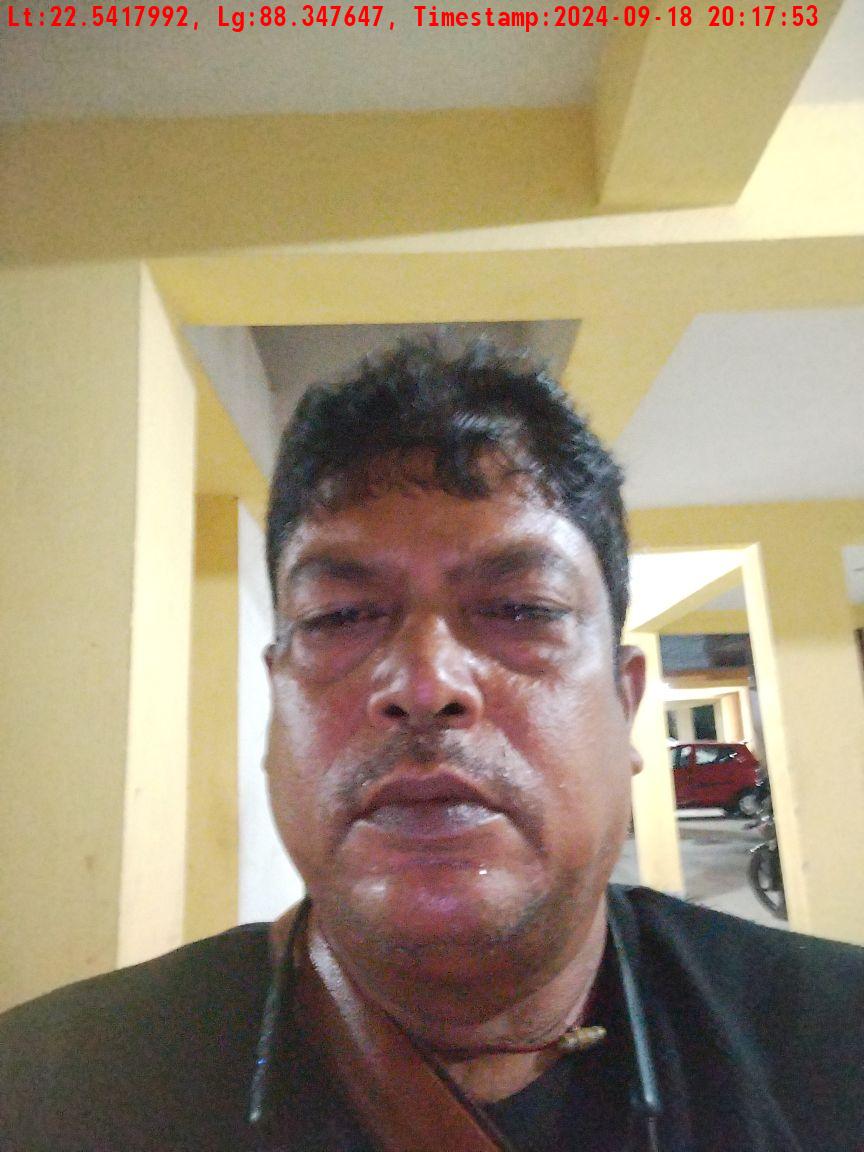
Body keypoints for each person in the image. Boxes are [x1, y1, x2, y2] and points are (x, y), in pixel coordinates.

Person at [1, 339, 862, 1152]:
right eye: (340, 616)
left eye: (521, 609)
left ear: (626, 701)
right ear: (276, 709)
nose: (423, 683)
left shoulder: (835, 1050)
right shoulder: (51, 1093)